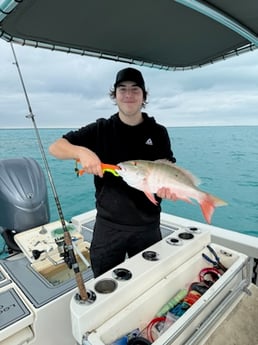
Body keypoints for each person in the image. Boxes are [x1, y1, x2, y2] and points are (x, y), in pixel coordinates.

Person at [49, 67, 176, 277]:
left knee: (148, 282)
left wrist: (169, 190)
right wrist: (81, 152)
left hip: (148, 227)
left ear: (144, 96)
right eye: (122, 89)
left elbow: (168, 171)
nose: (128, 95)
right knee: (105, 285)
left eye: (135, 90)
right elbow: (56, 147)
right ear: (114, 95)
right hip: (108, 227)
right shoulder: (101, 129)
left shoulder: (158, 132)